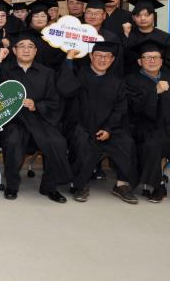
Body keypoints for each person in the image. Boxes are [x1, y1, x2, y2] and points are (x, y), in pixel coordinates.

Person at [0, 29, 72, 203]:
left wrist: (37, 105)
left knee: (56, 142)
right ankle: (12, 185)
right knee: (13, 141)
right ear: (14, 51)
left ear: (36, 51)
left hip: (40, 119)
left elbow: (55, 101)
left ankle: (49, 186)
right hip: (15, 120)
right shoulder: (5, 71)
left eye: (30, 47)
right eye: (21, 46)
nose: (26, 50)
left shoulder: (47, 73)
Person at [58, 42, 138, 204]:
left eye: (107, 57)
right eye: (99, 56)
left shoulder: (117, 82)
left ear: (112, 59)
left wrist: (108, 128)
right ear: (91, 56)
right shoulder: (79, 75)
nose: (103, 59)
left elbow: (120, 109)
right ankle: (80, 185)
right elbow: (65, 88)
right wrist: (69, 59)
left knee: (126, 142)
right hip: (81, 125)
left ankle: (122, 185)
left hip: (109, 126)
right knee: (83, 142)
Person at [124, 39, 170, 205]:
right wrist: (154, 92)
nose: (152, 60)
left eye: (156, 57)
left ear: (161, 61)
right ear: (139, 61)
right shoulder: (131, 81)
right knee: (152, 145)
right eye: (147, 57)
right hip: (147, 128)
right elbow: (131, 108)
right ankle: (157, 185)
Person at [123, 0, 170, 76]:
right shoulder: (127, 36)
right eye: (138, 15)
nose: (143, 18)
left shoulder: (167, 39)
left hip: (159, 81)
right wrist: (126, 37)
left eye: (147, 15)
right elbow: (123, 62)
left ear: (154, 16)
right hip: (132, 81)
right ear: (133, 18)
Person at [79, 0, 124, 77]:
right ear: (84, 14)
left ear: (104, 16)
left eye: (97, 13)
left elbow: (117, 63)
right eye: (89, 12)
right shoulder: (76, 34)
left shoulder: (112, 38)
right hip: (78, 78)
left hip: (105, 79)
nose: (92, 16)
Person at [25, 0, 65, 71]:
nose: (39, 19)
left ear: (47, 19)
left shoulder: (53, 36)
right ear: (30, 18)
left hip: (50, 73)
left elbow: (59, 59)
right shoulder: (24, 35)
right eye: (36, 16)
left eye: (43, 16)